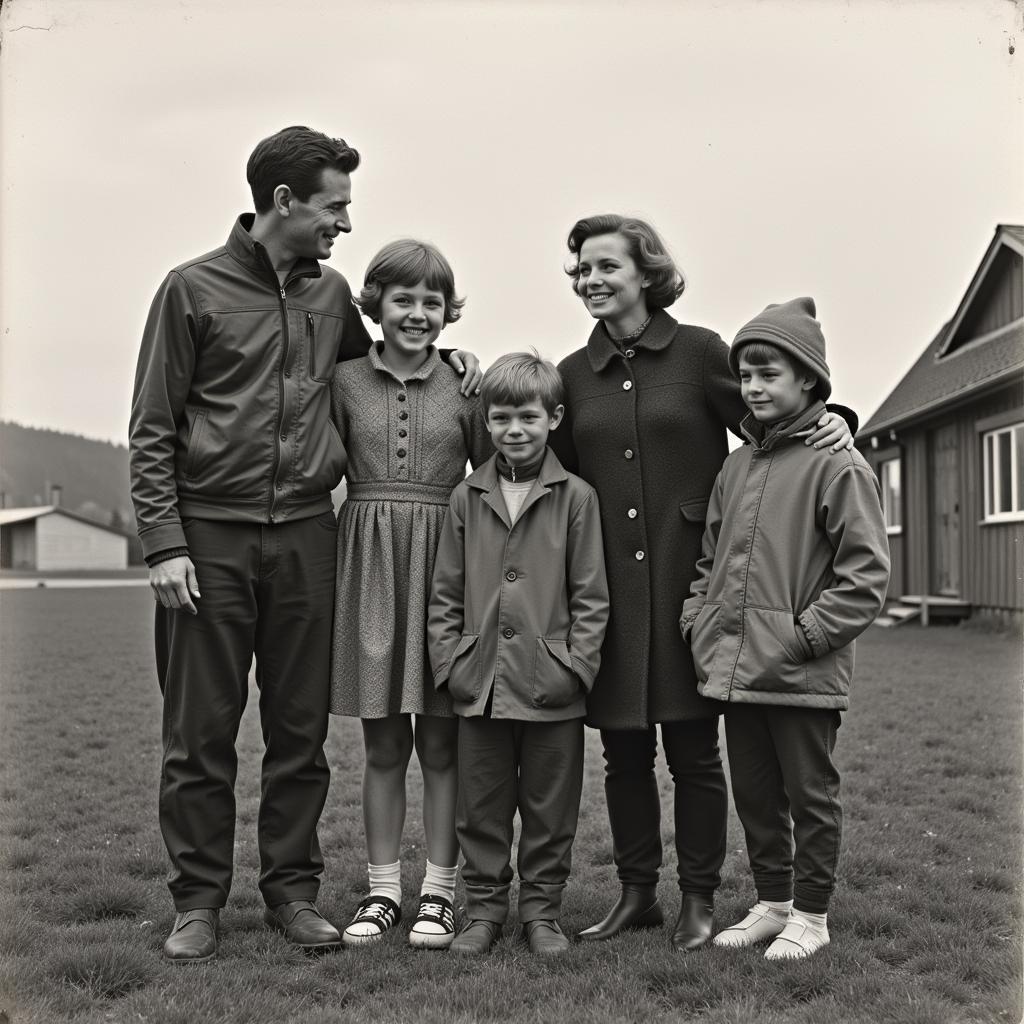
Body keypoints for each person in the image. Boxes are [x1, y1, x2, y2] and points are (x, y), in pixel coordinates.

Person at [128, 127, 480, 964]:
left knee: (299, 733)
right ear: (284, 202)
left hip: (309, 539)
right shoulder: (190, 290)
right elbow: (151, 429)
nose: (345, 225)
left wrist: (459, 360)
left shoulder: (331, 301)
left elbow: (395, 368)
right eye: (335, 206)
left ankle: (291, 893)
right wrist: (164, 543)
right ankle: (198, 904)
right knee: (200, 733)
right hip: (207, 538)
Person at [548, 214, 855, 952]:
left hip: (696, 589)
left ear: (645, 272)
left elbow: (768, 416)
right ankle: (635, 895)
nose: (591, 279)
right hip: (610, 594)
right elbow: (550, 473)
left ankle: (698, 899)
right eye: (582, 268)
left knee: (694, 753)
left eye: (606, 266)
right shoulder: (570, 373)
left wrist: (836, 419)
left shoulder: (699, 351)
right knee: (623, 752)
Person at [680, 297, 889, 959]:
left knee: (810, 796)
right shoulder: (737, 465)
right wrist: (696, 617)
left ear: (809, 380)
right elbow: (710, 558)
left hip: (800, 669)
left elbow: (864, 574)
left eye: (769, 373)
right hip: (735, 667)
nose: (754, 387)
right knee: (758, 795)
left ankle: (812, 915)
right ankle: (773, 903)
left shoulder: (839, 465)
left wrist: (807, 636)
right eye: (746, 375)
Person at [328, 240, 492, 950]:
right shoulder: (342, 381)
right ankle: (384, 891)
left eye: (432, 301)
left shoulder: (468, 385)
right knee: (384, 742)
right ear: (376, 304)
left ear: (447, 311)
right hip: (368, 562)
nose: (418, 314)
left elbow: (495, 478)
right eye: (404, 300)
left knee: (446, 745)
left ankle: (440, 893)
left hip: (446, 567)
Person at [427, 352, 609, 956]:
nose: (515, 430)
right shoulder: (466, 497)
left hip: (552, 685)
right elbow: (445, 591)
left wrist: (576, 667)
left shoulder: (576, 497)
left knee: (549, 811)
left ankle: (541, 913)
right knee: (480, 808)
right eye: (501, 417)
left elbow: (592, 595)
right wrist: (450, 663)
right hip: (477, 686)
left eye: (528, 417)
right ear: (487, 420)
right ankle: (481, 911)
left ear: (553, 417)